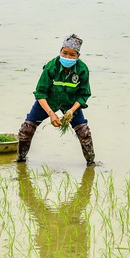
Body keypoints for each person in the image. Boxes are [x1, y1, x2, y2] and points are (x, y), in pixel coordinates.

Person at [17, 34, 95, 166]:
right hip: (48, 101)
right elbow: (40, 93)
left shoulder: (82, 69)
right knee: (27, 129)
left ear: (77, 56)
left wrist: (71, 110)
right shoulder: (51, 66)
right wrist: (51, 113)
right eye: (64, 53)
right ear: (60, 51)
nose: (67, 57)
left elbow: (84, 94)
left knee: (84, 132)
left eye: (72, 55)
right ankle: (20, 159)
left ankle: (91, 164)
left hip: (70, 102)